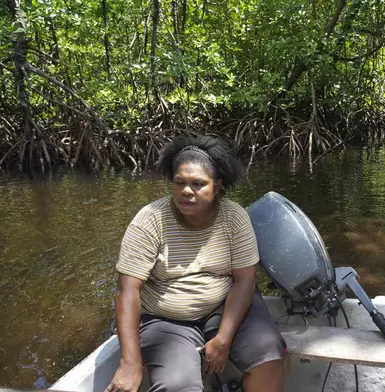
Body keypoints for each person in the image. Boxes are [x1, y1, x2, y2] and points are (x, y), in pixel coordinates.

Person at [105, 136, 286, 392]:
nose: (186, 191)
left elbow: (245, 280)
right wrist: (130, 363)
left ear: (218, 186)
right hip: (165, 320)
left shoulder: (234, 217)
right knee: (176, 385)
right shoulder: (150, 220)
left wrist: (223, 339)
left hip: (225, 306)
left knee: (268, 354)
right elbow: (127, 291)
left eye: (198, 184)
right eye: (179, 183)